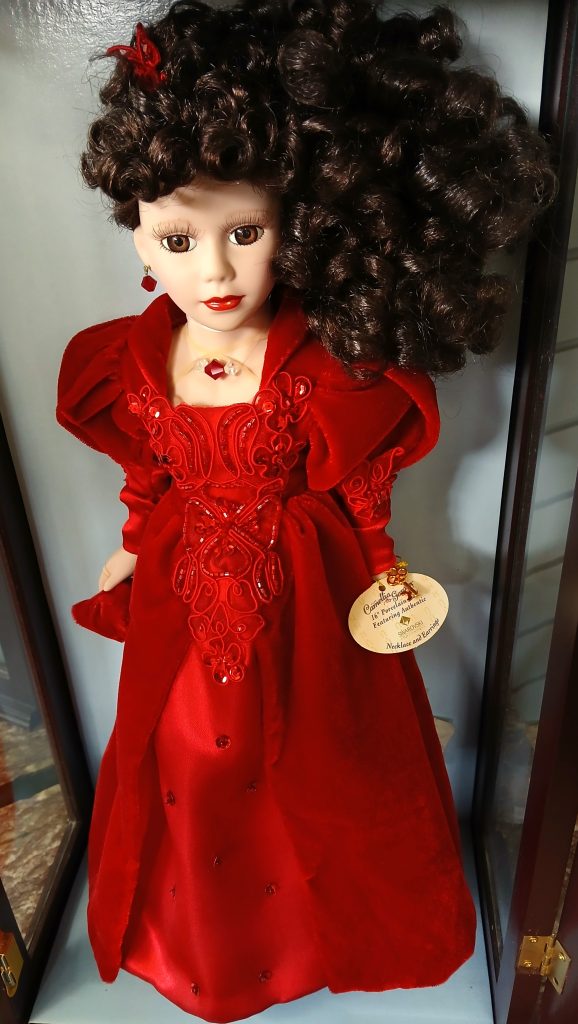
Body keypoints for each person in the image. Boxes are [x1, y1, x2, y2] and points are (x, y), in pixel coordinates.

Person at [56, 2, 556, 1021]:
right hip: (183, 592)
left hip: (309, 591)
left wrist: (379, 562)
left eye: (245, 232)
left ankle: (308, 943)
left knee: (315, 762)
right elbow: (150, 470)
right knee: (188, 760)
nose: (214, 271)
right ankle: (207, 947)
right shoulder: (130, 358)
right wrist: (130, 544)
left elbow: (358, 484)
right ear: (138, 235)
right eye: (178, 238)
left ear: (296, 222)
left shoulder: (326, 364)